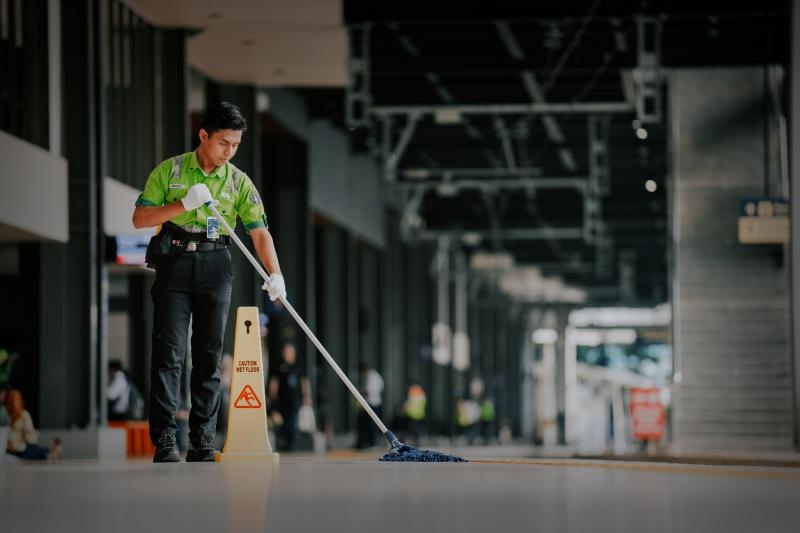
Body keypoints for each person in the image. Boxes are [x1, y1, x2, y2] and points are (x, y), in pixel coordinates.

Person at [132, 101, 287, 463]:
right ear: (203, 136)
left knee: (209, 355)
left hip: (217, 263)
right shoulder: (170, 171)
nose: (228, 152)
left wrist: (276, 272)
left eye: (235, 145)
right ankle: (167, 438)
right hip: (175, 261)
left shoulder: (237, 181)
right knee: (169, 354)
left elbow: (259, 231)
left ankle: (203, 438)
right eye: (223, 144)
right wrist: (182, 204)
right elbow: (140, 218)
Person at [268, 343, 310, 451]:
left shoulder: (298, 367)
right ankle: (285, 443)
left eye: (288, 352)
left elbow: (304, 382)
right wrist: (272, 396)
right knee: (284, 423)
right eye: (285, 353)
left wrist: (306, 396)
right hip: (282, 400)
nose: (286, 355)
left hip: (295, 400)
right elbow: (274, 383)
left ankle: (293, 445)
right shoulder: (280, 367)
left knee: (294, 422)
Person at [4, 389, 61, 461]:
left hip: (17, 448)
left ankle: (49, 451)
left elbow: (29, 434)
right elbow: (30, 435)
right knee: (32, 450)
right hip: (16, 448)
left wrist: (33, 433)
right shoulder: (12, 416)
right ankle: (50, 451)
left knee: (31, 450)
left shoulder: (21, 415)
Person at [356, 362, 383, 449]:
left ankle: (372, 443)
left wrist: (361, 392)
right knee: (367, 424)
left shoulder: (372, 377)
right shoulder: (374, 376)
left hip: (373, 403)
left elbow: (370, 390)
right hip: (371, 403)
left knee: (371, 424)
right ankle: (366, 442)